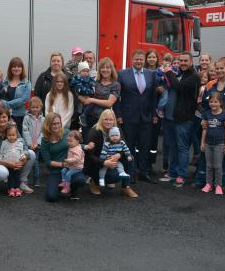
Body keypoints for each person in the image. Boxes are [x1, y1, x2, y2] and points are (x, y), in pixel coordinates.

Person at [195, 59, 225, 186]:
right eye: (217, 68)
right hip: (211, 125)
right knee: (206, 152)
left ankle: (224, 182)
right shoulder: (210, 85)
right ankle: (202, 180)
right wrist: (204, 119)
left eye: (222, 68)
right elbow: (204, 105)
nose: (219, 71)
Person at [116, 49, 157, 183]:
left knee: (145, 145)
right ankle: (130, 172)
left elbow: (153, 97)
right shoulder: (122, 74)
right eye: (136, 59)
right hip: (128, 117)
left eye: (141, 59)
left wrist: (154, 114)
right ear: (132, 60)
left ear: (144, 60)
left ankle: (143, 172)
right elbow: (117, 97)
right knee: (129, 145)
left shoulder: (151, 74)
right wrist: (118, 114)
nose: (139, 61)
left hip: (146, 117)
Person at [162, 53, 201, 187]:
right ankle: (172, 173)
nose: (183, 63)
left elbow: (180, 87)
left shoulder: (194, 77)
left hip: (184, 118)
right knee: (172, 147)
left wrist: (169, 73)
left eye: (185, 61)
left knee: (182, 148)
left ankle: (181, 175)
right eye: (181, 60)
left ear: (191, 62)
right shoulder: (178, 74)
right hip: (171, 117)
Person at [83, 109, 137, 198]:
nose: (108, 122)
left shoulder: (117, 129)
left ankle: (125, 187)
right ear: (101, 119)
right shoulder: (95, 132)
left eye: (111, 119)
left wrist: (118, 155)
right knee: (114, 176)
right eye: (106, 119)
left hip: (113, 159)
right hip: (97, 163)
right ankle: (94, 181)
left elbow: (125, 146)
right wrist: (104, 162)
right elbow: (89, 155)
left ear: (114, 120)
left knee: (130, 158)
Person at [0, 107, 36, 193]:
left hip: (11, 158)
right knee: (3, 172)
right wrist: (7, 163)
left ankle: (21, 182)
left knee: (31, 154)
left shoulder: (12, 128)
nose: (2, 119)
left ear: (8, 118)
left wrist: (24, 157)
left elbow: (23, 144)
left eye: (4, 117)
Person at [39, 113, 87, 201]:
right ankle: (62, 186)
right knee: (51, 197)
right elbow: (48, 162)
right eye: (53, 124)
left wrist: (87, 146)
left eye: (58, 123)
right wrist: (63, 164)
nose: (57, 126)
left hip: (72, 167)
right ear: (48, 125)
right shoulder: (45, 140)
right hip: (56, 170)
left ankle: (73, 189)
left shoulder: (67, 132)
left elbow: (77, 145)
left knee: (80, 180)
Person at [200, 92, 225, 195]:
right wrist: (202, 143)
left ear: (220, 103)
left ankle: (218, 185)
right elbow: (204, 129)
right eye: (211, 102)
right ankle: (208, 184)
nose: (213, 104)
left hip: (220, 144)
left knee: (218, 166)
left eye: (215, 102)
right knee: (209, 165)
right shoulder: (207, 114)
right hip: (208, 144)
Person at [77, 57, 120, 133]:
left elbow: (109, 103)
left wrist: (91, 100)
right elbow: (79, 91)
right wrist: (82, 98)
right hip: (88, 118)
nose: (105, 70)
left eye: (108, 67)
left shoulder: (115, 85)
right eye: (102, 67)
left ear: (112, 70)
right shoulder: (93, 80)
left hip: (104, 120)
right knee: (88, 142)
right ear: (99, 69)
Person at [0, 125, 27, 197]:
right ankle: (11, 189)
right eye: (9, 135)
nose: (11, 137)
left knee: (17, 176)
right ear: (6, 135)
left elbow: (22, 152)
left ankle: (17, 188)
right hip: (8, 164)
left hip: (17, 164)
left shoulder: (19, 143)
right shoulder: (4, 143)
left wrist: (23, 157)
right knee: (10, 177)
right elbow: (1, 153)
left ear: (16, 135)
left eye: (13, 135)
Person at [0, 57, 31, 127]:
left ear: (22, 68)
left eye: (19, 66)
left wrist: (6, 104)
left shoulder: (27, 83)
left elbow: (23, 99)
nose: (16, 69)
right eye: (14, 66)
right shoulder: (5, 82)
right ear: (10, 68)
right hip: (5, 116)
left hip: (19, 116)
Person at [22, 96, 45, 187]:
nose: (35, 109)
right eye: (33, 107)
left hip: (37, 146)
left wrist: (38, 143)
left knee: (35, 162)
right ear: (29, 107)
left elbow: (43, 132)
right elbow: (25, 131)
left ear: (40, 107)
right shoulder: (27, 118)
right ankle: (24, 178)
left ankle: (36, 179)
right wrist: (30, 143)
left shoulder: (43, 119)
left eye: (37, 107)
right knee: (26, 162)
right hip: (28, 145)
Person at [72, 61, 97, 126]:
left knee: (93, 103)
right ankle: (81, 116)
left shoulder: (90, 79)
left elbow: (94, 85)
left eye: (87, 71)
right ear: (79, 72)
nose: (85, 73)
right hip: (81, 98)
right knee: (80, 108)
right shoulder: (77, 79)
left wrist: (92, 92)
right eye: (83, 71)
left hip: (89, 97)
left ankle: (84, 115)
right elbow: (76, 88)